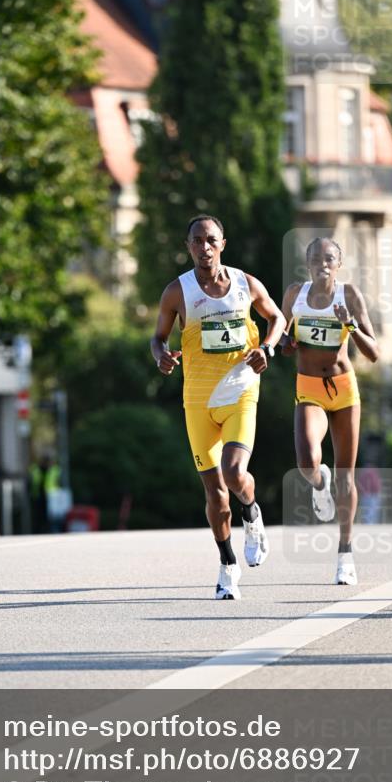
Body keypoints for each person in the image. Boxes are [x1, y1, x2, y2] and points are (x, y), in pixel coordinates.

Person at [151, 215, 286, 600]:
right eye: (197, 241)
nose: (204, 247)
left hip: (241, 390)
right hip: (197, 400)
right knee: (214, 493)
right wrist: (161, 357)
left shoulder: (245, 284)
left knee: (233, 471)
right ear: (188, 245)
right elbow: (158, 338)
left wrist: (267, 348)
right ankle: (228, 566)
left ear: (222, 243)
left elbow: (276, 317)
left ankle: (252, 512)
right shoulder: (177, 291)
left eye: (211, 240)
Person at [280, 237, 379, 585]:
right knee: (307, 461)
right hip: (308, 388)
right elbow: (280, 341)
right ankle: (318, 484)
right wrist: (286, 343)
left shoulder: (348, 294)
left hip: (344, 391)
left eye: (330, 257)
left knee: (346, 476)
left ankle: (345, 554)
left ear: (339, 263)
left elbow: (373, 352)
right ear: (307, 263)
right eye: (316, 257)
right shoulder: (294, 294)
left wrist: (348, 324)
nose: (323, 262)